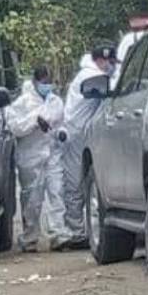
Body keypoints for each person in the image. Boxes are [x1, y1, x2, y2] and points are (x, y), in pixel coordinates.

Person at [50, 45, 116, 250]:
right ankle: (76, 231)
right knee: (74, 183)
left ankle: (78, 228)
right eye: (110, 62)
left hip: (81, 134)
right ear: (101, 60)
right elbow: (112, 90)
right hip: (75, 135)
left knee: (78, 182)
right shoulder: (92, 76)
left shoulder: (88, 73)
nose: (112, 66)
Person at [5, 66, 64, 252]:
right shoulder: (22, 103)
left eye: (49, 82)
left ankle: (57, 234)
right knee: (32, 199)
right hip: (31, 156)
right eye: (44, 82)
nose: (47, 86)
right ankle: (30, 237)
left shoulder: (56, 102)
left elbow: (62, 124)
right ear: (35, 82)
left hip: (52, 153)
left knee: (57, 193)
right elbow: (15, 127)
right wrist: (34, 121)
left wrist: (62, 133)